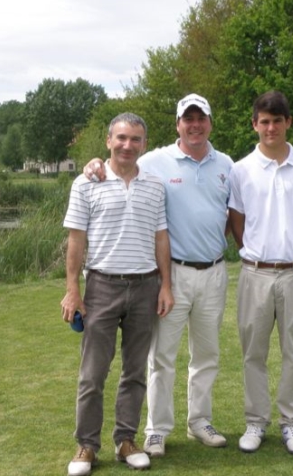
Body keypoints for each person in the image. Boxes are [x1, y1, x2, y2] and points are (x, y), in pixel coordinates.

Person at [83, 94, 233, 457]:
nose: (195, 125)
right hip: (173, 273)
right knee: (161, 356)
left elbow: (232, 213)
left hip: (214, 271)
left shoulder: (227, 164)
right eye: (188, 119)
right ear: (178, 124)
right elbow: (120, 160)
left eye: (201, 118)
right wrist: (93, 166)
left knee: (207, 354)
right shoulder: (155, 160)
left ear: (210, 123)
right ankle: (156, 430)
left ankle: (200, 421)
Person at [61, 112, 174, 476]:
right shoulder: (86, 182)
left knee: (135, 371)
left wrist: (166, 285)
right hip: (102, 286)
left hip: (145, 286)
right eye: (121, 138)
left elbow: (160, 238)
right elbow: (76, 240)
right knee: (92, 374)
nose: (128, 145)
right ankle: (87, 446)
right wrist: (72, 290)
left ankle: (126, 440)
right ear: (109, 140)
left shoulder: (155, 185)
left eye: (136, 139)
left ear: (144, 144)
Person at [227, 91, 293, 456]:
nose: (271, 127)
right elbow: (237, 224)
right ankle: (255, 421)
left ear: (288, 123)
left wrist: (289, 257)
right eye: (264, 121)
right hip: (255, 274)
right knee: (253, 353)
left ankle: (292, 423)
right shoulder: (240, 169)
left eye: (277, 121)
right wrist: (257, 257)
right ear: (255, 124)